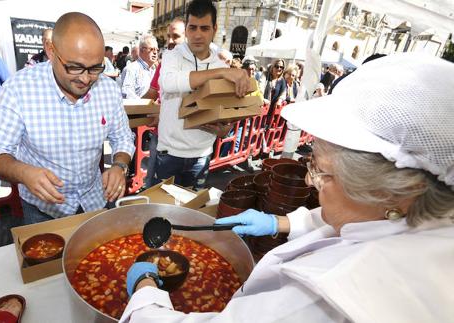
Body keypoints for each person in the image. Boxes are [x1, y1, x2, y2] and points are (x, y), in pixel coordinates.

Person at [121, 53, 454, 322]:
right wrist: (283, 222)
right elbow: (369, 220)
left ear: (389, 191)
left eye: (321, 170)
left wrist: (145, 289)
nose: (309, 180)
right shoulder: (419, 219)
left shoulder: (333, 297)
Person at [0, 12, 135, 224]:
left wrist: (119, 166)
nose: (85, 78)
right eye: (74, 67)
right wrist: (23, 172)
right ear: (51, 51)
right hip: (43, 210)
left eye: (95, 68)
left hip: (94, 200)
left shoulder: (108, 89)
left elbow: (123, 137)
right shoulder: (20, 88)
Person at [153, 0, 249, 189]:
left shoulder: (221, 65)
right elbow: (168, 83)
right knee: (161, 214)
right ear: (187, 29)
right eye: (193, 28)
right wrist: (219, 73)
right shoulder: (173, 55)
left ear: (214, 29)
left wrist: (225, 128)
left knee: (192, 215)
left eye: (204, 28)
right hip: (169, 154)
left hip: (201, 156)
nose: (197, 35)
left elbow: (226, 112)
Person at [140, 19, 186, 189]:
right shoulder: (164, 64)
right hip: (159, 136)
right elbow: (152, 93)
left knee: (174, 189)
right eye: (169, 37)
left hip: (182, 141)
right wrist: (132, 108)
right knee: (151, 182)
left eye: (176, 36)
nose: (170, 41)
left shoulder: (197, 66)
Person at [120, 34, 158, 99]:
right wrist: (143, 103)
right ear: (141, 50)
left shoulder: (155, 69)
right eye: (152, 49)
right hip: (139, 108)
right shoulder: (131, 69)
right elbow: (127, 93)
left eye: (157, 50)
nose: (155, 52)